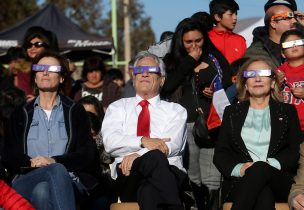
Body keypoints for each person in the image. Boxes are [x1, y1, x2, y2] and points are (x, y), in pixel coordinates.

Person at [2, 50, 100, 210]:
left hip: (69, 179)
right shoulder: (20, 113)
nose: (45, 72)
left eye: (52, 69)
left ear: (61, 77)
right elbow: (8, 153)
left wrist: (55, 161)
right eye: (40, 68)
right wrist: (30, 163)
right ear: (35, 76)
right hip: (26, 178)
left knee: (43, 190)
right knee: (50, 175)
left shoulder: (75, 111)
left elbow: (87, 154)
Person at [161, 17, 232, 210]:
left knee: (212, 177)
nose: (194, 45)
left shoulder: (215, 58)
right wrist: (189, 61)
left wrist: (215, 88)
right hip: (185, 124)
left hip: (213, 124)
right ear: (180, 42)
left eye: (198, 40)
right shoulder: (172, 61)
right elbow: (167, 86)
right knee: (192, 177)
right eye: (189, 42)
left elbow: (230, 82)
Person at [102, 51, 188, 210]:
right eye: (140, 71)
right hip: (128, 174)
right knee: (154, 156)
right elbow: (110, 142)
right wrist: (142, 141)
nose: (145, 74)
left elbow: (170, 146)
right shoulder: (118, 107)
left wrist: (137, 155)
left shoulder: (176, 111)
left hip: (170, 171)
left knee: (149, 192)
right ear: (133, 79)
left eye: (151, 71)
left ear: (162, 80)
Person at [213, 57, 302, 210]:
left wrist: (268, 165)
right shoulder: (232, 112)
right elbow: (221, 154)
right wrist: (240, 169)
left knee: (260, 169)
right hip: (240, 180)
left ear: (273, 82)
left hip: (278, 179)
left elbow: (294, 153)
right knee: (263, 193)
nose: (258, 78)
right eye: (251, 74)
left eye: (263, 73)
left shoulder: (288, 112)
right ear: (245, 84)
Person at [244, 0, 297, 67]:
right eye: (288, 18)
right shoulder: (256, 53)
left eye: (294, 17)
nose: (294, 21)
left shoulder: (300, 47)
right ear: (273, 23)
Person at [277, 29, 304, 132]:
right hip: (286, 130)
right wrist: (276, 85)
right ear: (283, 53)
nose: (294, 46)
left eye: (298, 42)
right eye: (288, 44)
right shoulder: (277, 73)